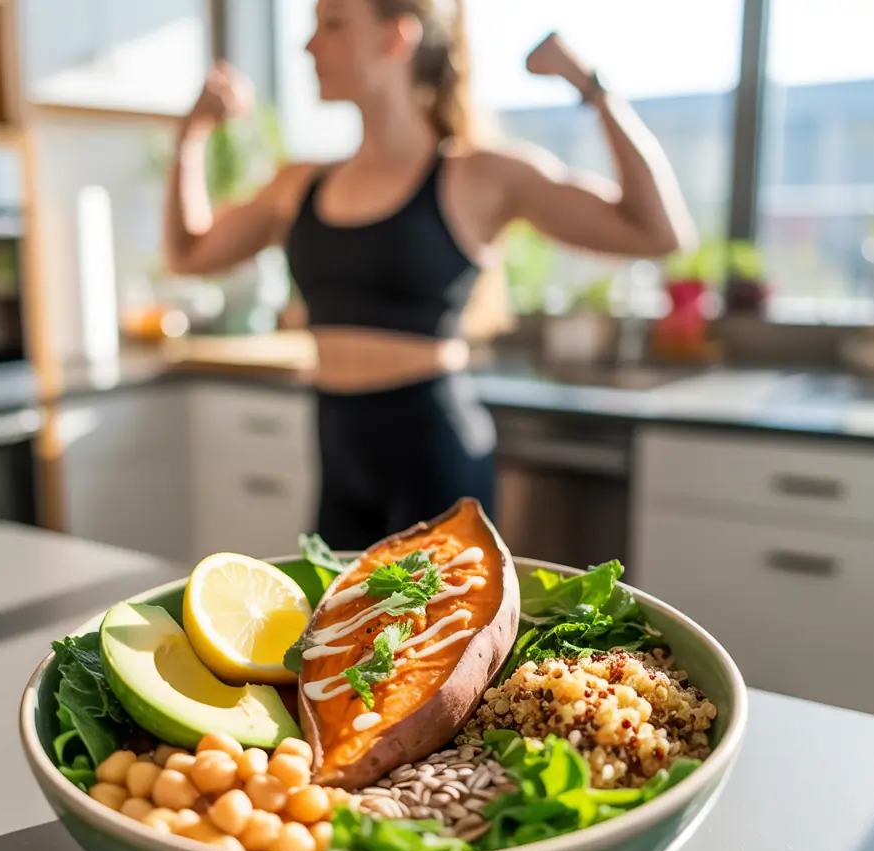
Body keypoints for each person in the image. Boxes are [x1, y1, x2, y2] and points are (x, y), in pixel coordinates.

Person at [164, 0, 696, 551]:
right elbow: (188, 253)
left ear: (397, 38)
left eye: (333, 25)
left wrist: (588, 84)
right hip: (337, 450)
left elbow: (658, 232)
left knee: (437, 639)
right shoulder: (300, 183)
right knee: (333, 636)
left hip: (434, 458)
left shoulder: (478, 174)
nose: (308, 46)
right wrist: (192, 131)